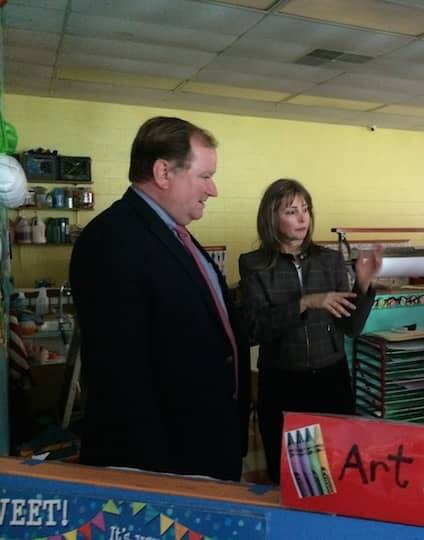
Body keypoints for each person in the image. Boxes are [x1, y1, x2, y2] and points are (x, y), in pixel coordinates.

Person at [70, 116, 250, 481]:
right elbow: (121, 378)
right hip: (165, 463)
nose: (212, 189)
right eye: (204, 176)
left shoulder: (172, 233)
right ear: (163, 173)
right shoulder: (113, 240)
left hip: (205, 446)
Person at [238, 178, 382, 483]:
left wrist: (364, 285)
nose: (303, 218)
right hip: (283, 382)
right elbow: (253, 330)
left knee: (337, 471)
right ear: (271, 218)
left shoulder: (329, 260)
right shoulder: (255, 264)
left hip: (331, 379)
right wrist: (304, 302)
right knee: (294, 479)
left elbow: (350, 327)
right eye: (291, 211)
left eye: (306, 209)